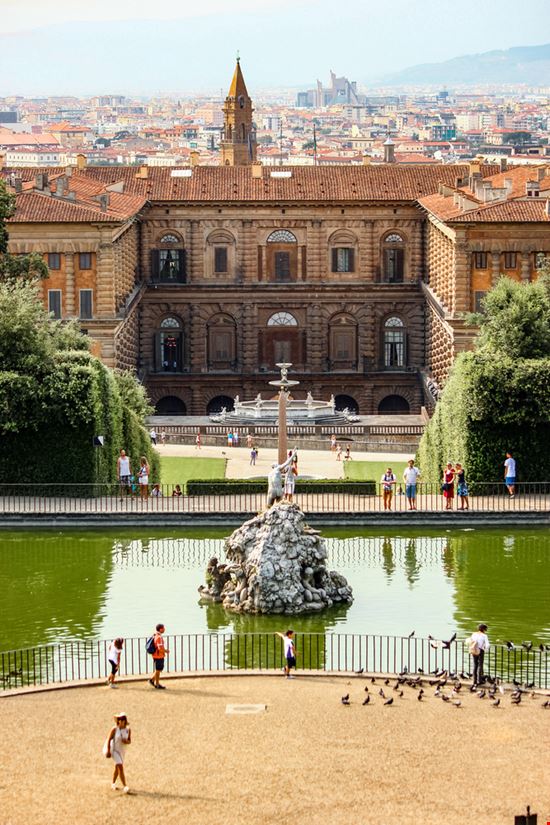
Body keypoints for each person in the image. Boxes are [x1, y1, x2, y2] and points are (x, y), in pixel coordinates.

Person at [104, 712, 131, 793]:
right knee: (120, 766)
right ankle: (125, 786)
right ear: (118, 721)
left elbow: (129, 741)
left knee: (117, 768)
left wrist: (126, 741)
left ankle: (113, 783)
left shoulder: (128, 730)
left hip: (122, 751)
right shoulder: (114, 729)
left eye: (123, 719)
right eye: (120, 719)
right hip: (114, 750)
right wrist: (108, 750)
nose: (121, 721)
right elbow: (109, 739)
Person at [149, 623, 169, 689]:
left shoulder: (155, 635)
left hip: (156, 655)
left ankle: (152, 680)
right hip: (159, 656)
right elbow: (160, 648)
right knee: (158, 670)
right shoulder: (159, 637)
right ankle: (157, 684)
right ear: (160, 629)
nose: (164, 629)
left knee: (159, 669)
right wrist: (166, 651)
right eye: (163, 628)